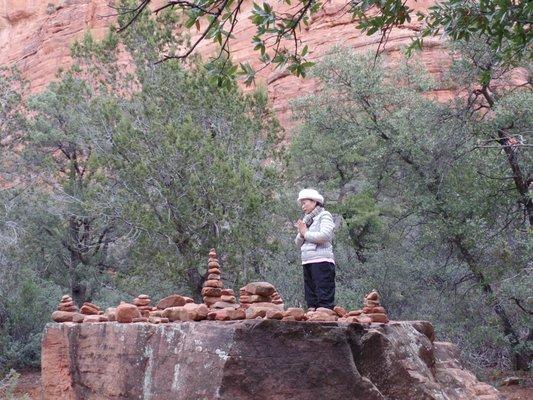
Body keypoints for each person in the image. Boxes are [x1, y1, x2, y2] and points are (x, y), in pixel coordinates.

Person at [294, 188, 336, 310]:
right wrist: (302, 232)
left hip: (322, 261)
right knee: (311, 298)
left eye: (304, 202)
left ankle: (325, 317)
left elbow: (325, 236)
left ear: (314, 202)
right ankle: (313, 315)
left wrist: (305, 233)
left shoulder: (325, 215)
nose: (303, 206)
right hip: (307, 261)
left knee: (324, 296)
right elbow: (297, 243)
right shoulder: (306, 220)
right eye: (301, 204)